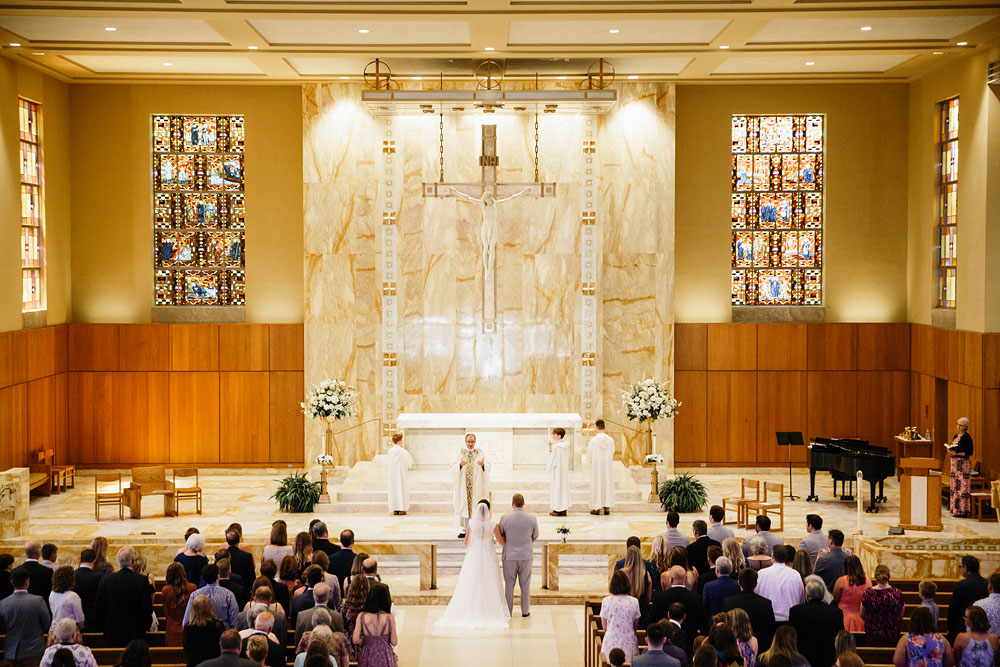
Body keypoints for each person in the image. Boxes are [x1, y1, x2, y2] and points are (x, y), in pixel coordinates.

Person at [433, 500, 510, 631]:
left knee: (471, 580)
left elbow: (466, 541)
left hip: (474, 554)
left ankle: (470, 609)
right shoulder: (492, 524)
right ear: (488, 509)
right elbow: (501, 541)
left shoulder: (472, 524)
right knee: (490, 580)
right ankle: (489, 609)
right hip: (488, 554)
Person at [92, 547, 154, 647]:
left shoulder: (106, 579)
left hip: (112, 632)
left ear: (118, 562)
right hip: (136, 633)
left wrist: (104, 628)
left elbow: (99, 607)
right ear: (133, 561)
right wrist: (145, 627)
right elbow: (147, 608)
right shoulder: (141, 580)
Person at [650, 566, 710, 651]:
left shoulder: (660, 598)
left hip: (664, 647)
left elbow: (652, 622)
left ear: (671, 579)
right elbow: (704, 626)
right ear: (685, 579)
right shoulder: (696, 599)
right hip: (690, 648)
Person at [498, 493, 538, 617]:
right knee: (525, 584)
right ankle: (525, 611)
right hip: (526, 555)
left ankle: (508, 611)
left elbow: (501, 534)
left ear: (512, 504)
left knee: (509, 584)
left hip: (510, 556)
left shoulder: (505, 518)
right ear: (524, 504)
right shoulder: (532, 518)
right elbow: (535, 535)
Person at [788, 578, 843, 667]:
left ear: (807, 595)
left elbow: (792, 636)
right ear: (822, 595)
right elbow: (840, 635)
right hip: (827, 658)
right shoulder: (835, 612)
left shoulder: (795, 611)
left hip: (802, 658)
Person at [0, 567, 50, 659]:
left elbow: (2, 627)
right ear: (27, 582)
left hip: (11, 652)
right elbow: (46, 625)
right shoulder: (38, 601)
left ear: (12, 582)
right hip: (35, 650)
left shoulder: (3, 603)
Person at [722, 568, 775, 653]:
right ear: (756, 583)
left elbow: (725, 628)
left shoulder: (729, 602)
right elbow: (771, 628)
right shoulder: (766, 603)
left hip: (736, 650)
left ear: (739, 583)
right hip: (761, 649)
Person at [450, 433, 491, 536]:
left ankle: (476, 528)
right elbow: (452, 467)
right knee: (464, 506)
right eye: (468, 441)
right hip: (463, 486)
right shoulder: (460, 453)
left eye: (472, 442)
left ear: (475, 442)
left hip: (476, 486)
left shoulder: (480, 453)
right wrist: (459, 465)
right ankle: (464, 529)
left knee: (475, 505)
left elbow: (488, 466)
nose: (470, 444)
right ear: (465, 441)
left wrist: (483, 466)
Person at [755, 545, 804, 623]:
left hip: (768, 619)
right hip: (789, 618)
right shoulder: (795, 574)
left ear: (772, 556)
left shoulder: (762, 574)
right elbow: (801, 599)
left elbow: (756, 596)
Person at [600, 571, 641, 663]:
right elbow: (635, 626)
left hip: (611, 640)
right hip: (629, 640)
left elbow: (604, 627)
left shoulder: (606, 601)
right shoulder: (634, 601)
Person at [353, 585, 398, 667]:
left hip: (367, 654)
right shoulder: (389, 617)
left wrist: (364, 640)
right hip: (385, 655)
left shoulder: (362, 616)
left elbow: (355, 640)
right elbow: (394, 642)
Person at [183, 563, 238, 630]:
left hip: (201, 633)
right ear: (218, 576)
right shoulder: (228, 595)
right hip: (223, 634)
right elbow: (234, 621)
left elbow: (186, 621)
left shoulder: (195, 595)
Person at [861, 564, 905, 647]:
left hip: (873, 634)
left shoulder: (868, 593)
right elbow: (901, 615)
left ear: (875, 576)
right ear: (888, 576)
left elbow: (862, 614)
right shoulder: (897, 593)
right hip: (892, 634)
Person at [949, 556, 990, 644]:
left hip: (962, 627)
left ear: (966, 568)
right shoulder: (986, 583)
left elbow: (954, 609)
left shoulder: (961, 585)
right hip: (982, 628)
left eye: (961, 567)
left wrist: (950, 626)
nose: (960, 569)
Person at [182, 596, 226, 667]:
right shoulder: (217, 626)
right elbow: (222, 646)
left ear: (193, 609)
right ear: (210, 608)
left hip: (194, 664)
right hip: (213, 664)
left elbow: (186, 648)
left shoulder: (188, 627)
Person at [833, 555, 871, 632]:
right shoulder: (867, 580)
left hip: (844, 618)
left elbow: (834, 600)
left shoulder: (842, 581)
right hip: (861, 618)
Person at [945, 417, 974, 517]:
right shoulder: (955, 436)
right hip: (954, 465)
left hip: (962, 465)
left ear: (966, 426)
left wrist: (957, 452)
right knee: (954, 487)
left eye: (960, 425)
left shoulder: (967, 437)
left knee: (962, 487)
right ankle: (955, 509)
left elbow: (969, 452)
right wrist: (950, 450)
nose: (958, 426)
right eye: (957, 424)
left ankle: (963, 510)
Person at [162, 563, 195, 647]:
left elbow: (166, 613)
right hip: (188, 628)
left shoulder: (166, 590)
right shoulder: (192, 588)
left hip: (172, 628)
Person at [587, 419, 616, 515]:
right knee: (606, 484)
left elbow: (589, 454)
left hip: (597, 465)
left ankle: (597, 508)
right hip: (607, 465)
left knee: (597, 484)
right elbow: (612, 451)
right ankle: (607, 507)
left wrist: (589, 461)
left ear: (596, 427)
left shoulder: (593, 440)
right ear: (605, 427)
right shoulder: (610, 440)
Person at [340, 574, 369, 654]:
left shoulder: (344, 605)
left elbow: (342, 624)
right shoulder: (370, 605)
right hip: (366, 641)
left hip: (348, 642)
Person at [386, 433, 414, 515]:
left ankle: (395, 509)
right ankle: (402, 508)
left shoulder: (390, 451)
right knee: (401, 489)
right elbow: (409, 463)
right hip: (401, 474)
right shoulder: (403, 452)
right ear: (399, 442)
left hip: (393, 475)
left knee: (394, 489)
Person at [74, 549, 102, 629]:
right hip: (94, 619)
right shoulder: (99, 577)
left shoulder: (72, 575)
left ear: (80, 560)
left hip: (74, 620)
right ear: (94, 561)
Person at [547, 428, 571, 516]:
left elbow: (552, 459)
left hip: (557, 470)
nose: (553, 436)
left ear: (559, 436)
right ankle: (563, 509)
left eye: (555, 434)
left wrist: (550, 455)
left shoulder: (556, 447)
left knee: (557, 488)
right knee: (563, 488)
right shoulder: (565, 446)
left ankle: (557, 510)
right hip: (563, 470)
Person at [328, 530, 356, 595]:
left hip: (335, 593)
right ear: (353, 541)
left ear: (340, 541)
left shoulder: (331, 558)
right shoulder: (356, 559)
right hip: (351, 594)